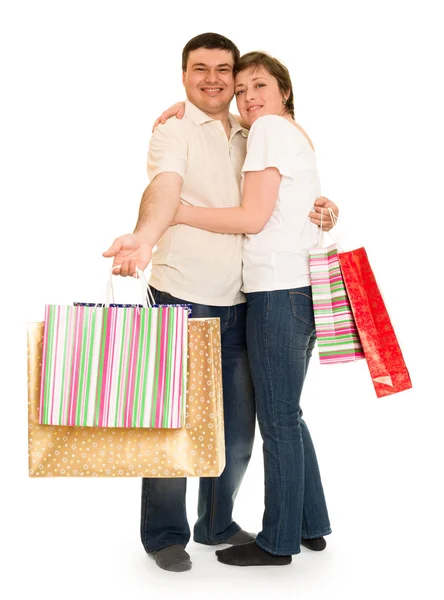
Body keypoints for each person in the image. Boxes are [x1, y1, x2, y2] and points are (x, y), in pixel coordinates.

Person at [103, 33, 337, 572]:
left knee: (235, 433)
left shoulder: (251, 130)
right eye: (200, 68)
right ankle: (164, 533)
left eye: (225, 70)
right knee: (171, 421)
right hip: (181, 294)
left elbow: (280, 200)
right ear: (183, 75)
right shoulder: (174, 130)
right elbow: (165, 188)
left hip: (243, 301)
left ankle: (217, 522)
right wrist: (145, 233)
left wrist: (324, 206)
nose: (214, 78)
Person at [167, 51, 333, 567]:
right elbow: (299, 205)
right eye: (240, 90)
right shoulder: (290, 130)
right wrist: (189, 105)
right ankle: (310, 522)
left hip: (275, 292)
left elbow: (253, 217)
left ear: (283, 89)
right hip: (301, 290)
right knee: (290, 413)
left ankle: (278, 541)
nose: (247, 96)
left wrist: (180, 212)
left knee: (278, 419)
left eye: (258, 85)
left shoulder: (267, 133)